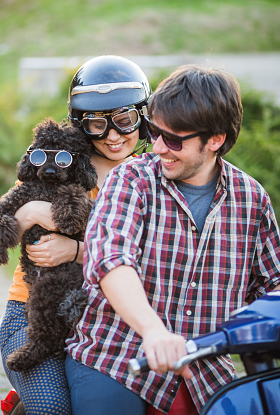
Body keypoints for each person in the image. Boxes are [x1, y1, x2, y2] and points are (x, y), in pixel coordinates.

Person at [65, 64, 280, 415]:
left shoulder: (252, 199)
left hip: (207, 374)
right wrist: (153, 331)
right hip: (117, 359)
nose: (159, 147)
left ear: (215, 140)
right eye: (154, 131)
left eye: (175, 139)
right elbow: (110, 260)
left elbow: (274, 285)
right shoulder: (131, 179)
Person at [0, 55, 152, 414]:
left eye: (125, 121)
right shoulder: (55, 162)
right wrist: (32, 212)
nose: (114, 136)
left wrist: (77, 250)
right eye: (98, 124)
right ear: (81, 125)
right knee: (53, 407)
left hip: (109, 320)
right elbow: (4, 222)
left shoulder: (152, 174)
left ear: (142, 117)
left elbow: (150, 252)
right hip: (32, 313)